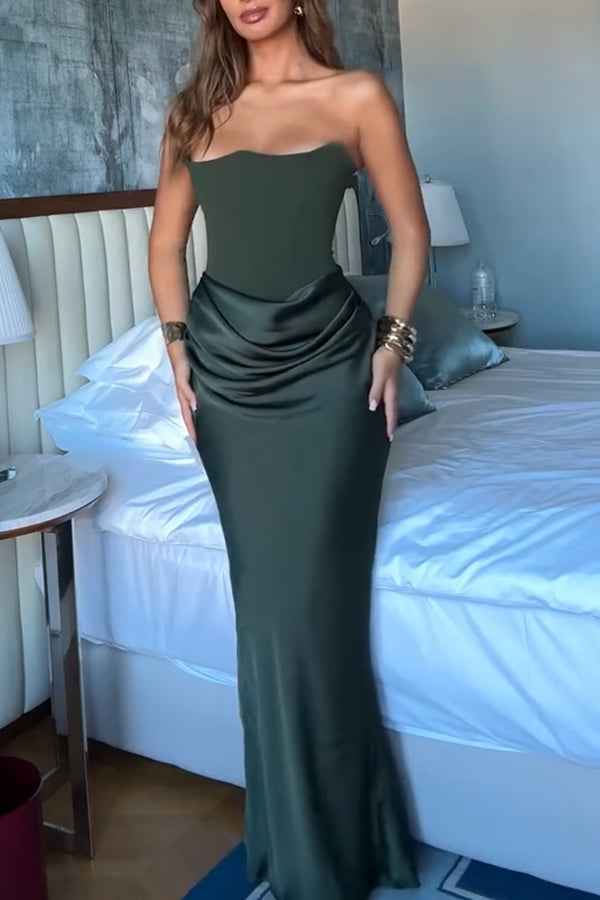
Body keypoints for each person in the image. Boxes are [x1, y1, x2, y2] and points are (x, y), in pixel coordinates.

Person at [149, 1, 429, 897]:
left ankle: (341, 842)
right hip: (228, 382)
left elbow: (411, 232)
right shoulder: (194, 112)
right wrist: (176, 349)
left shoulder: (356, 96)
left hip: (331, 376)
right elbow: (165, 245)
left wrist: (392, 345)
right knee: (268, 617)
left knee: (318, 611)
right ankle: (302, 839)